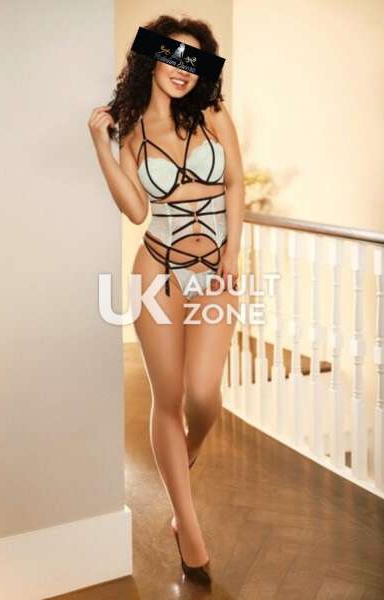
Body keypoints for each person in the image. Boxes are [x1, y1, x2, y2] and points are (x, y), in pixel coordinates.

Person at [88, 15, 244, 584]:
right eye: (173, 56)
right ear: (152, 60)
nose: (183, 69)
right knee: (169, 396)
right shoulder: (131, 131)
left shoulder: (213, 114)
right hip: (157, 272)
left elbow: (235, 183)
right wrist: (101, 144)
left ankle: (185, 454)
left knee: (203, 394)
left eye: (193, 61)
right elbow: (135, 209)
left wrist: (233, 253)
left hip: (213, 272)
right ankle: (188, 528)